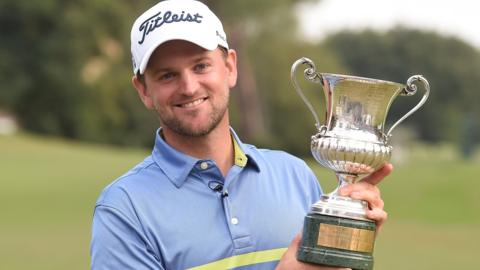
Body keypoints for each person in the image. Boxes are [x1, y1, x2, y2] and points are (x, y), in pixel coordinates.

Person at [90, 0, 392, 269]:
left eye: (201, 65)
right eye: (167, 75)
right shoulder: (124, 209)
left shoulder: (295, 176)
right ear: (143, 90)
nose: (189, 87)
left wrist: (349, 241)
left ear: (230, 67)